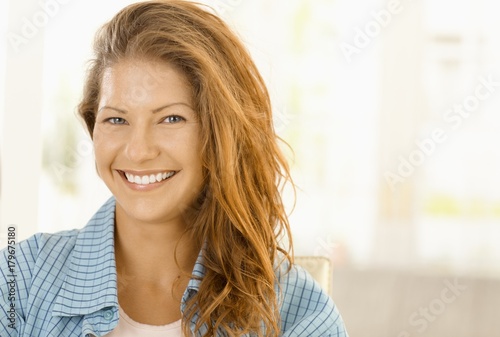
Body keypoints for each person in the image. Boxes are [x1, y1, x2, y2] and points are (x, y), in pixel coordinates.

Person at [0, 1, 348, 336]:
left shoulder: (297, 312)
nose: (138, 151)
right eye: (116, 119)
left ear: (219, 134)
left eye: (171, 118)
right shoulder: (21, 279)